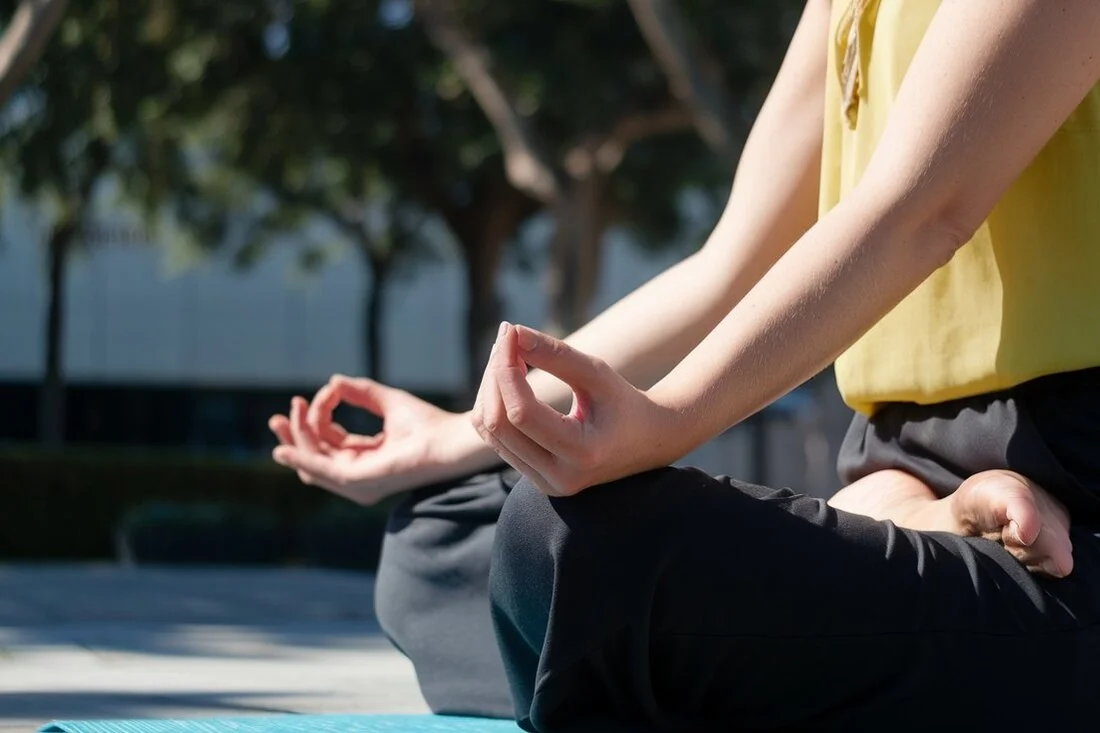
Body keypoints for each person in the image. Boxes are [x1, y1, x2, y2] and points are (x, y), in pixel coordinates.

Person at [269, 0, 1100, 729]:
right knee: (438, 532)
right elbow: (728, 266)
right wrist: (459, 437)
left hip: (1063, 515)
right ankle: (897, 529)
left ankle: (905, 553)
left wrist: (665, 423)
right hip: (892, 475)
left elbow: (925, 211)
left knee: (558, 545)